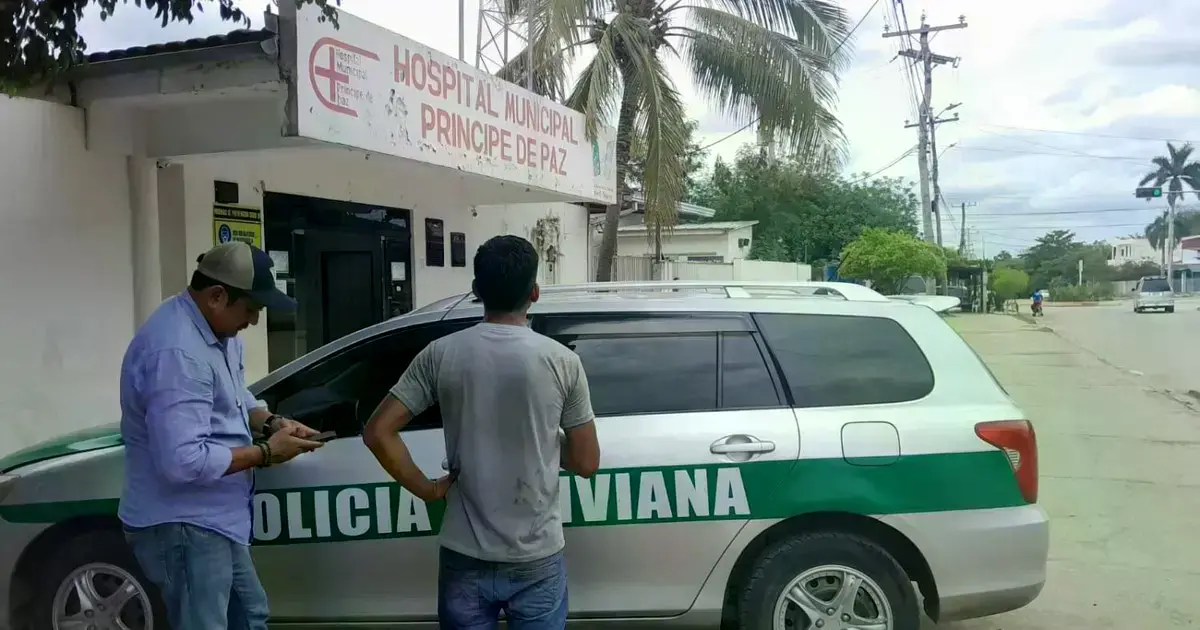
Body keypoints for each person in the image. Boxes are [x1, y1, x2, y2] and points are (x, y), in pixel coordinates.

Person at [364, 235, 601, 630]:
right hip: (537, 557)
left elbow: (377, 432)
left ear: (476, 291)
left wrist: (426, 488)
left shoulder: (441, 354)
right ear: (535, 293)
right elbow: (587, 462)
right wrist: (543, 435)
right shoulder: (563, 362)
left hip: (465, 553)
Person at [119, 241, 324, 630]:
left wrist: (271, 423)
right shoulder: (179, 352)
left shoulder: (213, 333)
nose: (254, 321)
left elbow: (233, 396)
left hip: (213, 520)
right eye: (251, 310)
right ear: (217, 296)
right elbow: (182, 462)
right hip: (184, 525)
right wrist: (265, 453)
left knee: (249, 617)